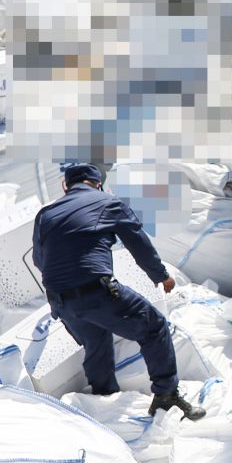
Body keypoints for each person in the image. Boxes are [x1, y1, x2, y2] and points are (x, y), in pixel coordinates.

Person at [31, 163, 206, 419]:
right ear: (98, 183)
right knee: (154, 326)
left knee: (96, 342)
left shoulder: (45, 215)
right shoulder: (108, 202)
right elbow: (138, 243)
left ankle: (104, 403)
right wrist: (161, 276)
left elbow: (39, 260)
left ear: (64, 187)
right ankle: (167, 394)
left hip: (60, 301)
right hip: (95, 289)